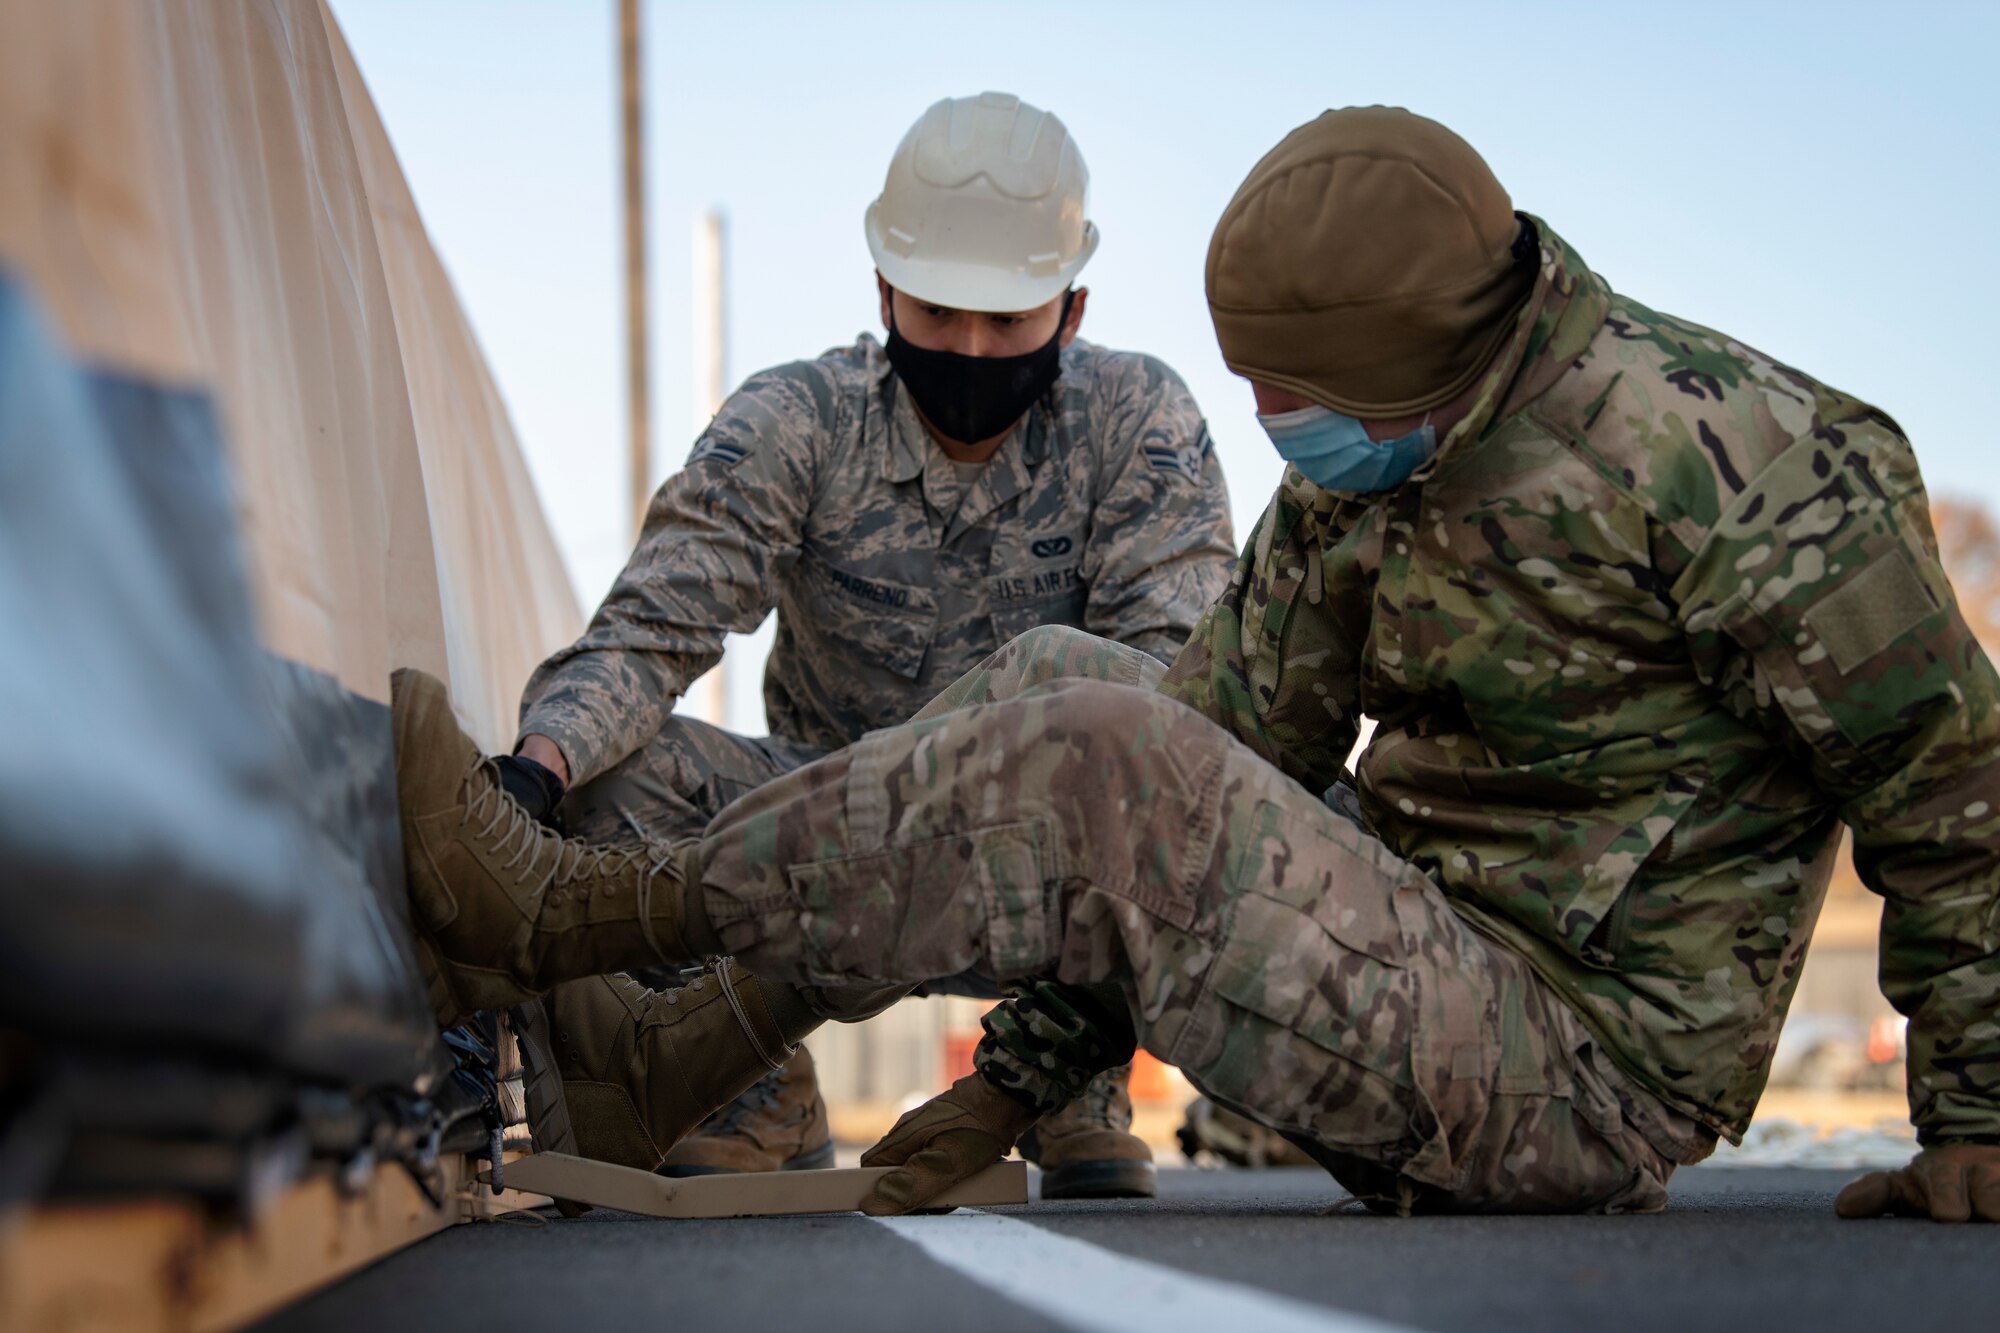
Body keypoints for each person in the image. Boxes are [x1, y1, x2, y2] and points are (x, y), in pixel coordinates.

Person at [393, 105, 1998, 1221]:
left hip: (1579, 1075)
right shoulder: (1366, 474)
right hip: (1410, 958)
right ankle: (689, 1043)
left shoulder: (1747, 464)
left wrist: (1982, 1122)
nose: (1271, 428)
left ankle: (550, 923)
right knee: (1062, 680)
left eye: (1300, 394)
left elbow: (1953, 791)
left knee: (1095, 728)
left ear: (1422, 370)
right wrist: (1013, 1083)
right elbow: (1221, 738)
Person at [491, 91, 1233, 1195]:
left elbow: (1172, 708)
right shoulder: (798, 420)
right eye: (936, 315)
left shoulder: (1139, 422)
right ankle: (749, 1089)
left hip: (1042, 860)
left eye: (1008, 323)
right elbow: (653, 631)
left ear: (1070, 312)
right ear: (883, 288)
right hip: (823, 834)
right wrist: (535, 768)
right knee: (618, 781)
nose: (970, 349)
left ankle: (1065, 1073)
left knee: (1175, 769)